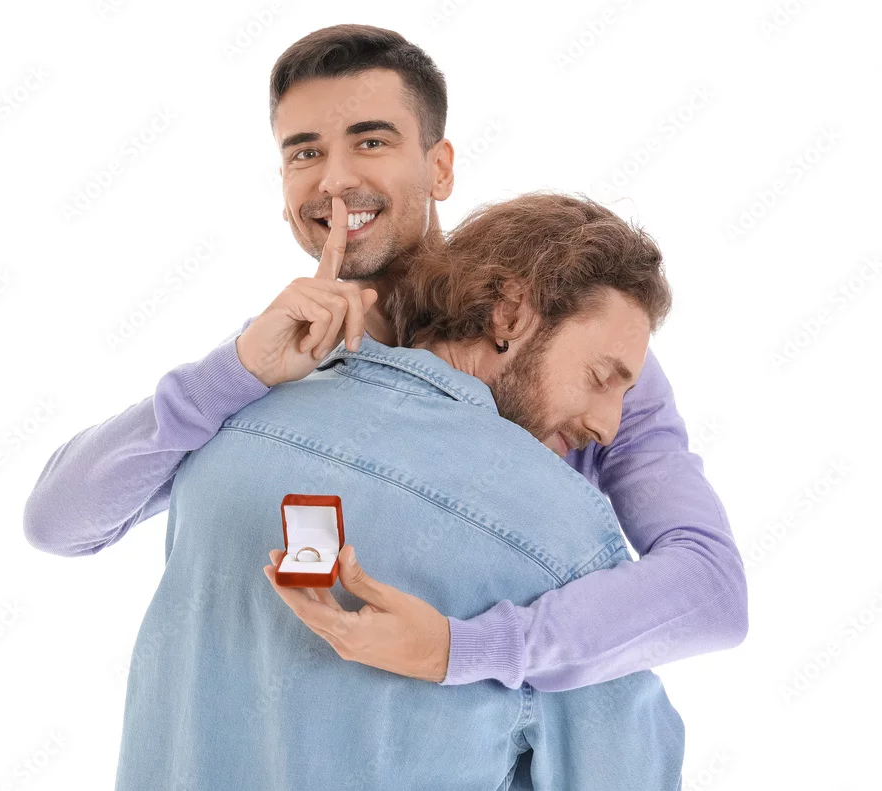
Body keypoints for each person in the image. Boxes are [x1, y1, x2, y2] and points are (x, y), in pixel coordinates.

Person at [23, 24, 747, 694]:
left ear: (440, 168)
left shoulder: (576, 345)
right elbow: (59, 521)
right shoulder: (276, 357)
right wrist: (236, 372)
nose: (333, 179)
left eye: (370, 141)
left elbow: (710, 588)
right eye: (304, 153)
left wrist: (474, 647)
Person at [113, 191, 686, 790]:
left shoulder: (228, 429)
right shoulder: (560, 537)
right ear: (511, 314)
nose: (609, 428)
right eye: (601, 377)